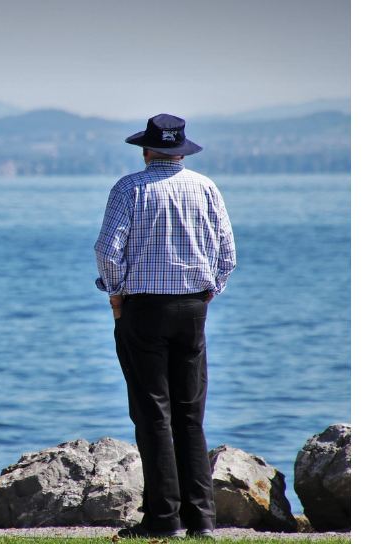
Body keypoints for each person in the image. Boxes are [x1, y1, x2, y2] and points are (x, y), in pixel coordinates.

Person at [94, 114, 236, 540]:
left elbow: (107, 250)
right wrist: (208, 292)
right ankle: (203, 522)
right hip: (193, 309)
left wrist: (116, 295)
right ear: (181, 151)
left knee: (153, 415)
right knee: (190, 417)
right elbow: (227, 253)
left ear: (146, 150)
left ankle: (164, 520)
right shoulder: (206, 187)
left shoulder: (128, 188)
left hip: (142, 310)